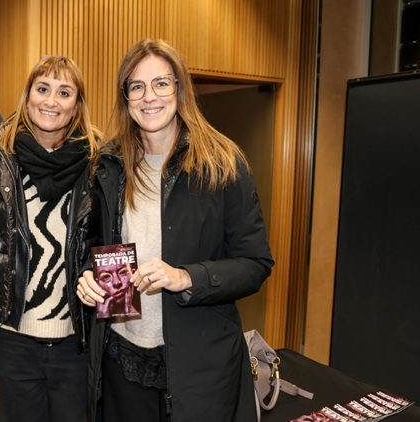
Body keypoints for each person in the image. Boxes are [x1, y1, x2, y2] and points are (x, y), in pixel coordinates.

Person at [76, 39, 274, 422]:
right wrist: (88, 277)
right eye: (137, 86)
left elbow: (255, 264)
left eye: (161, 83)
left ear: (180, 89)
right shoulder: (109, 164)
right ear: (125, 97)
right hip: (122, 361)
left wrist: (185, 277)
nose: (149, 96)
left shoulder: (222, 164)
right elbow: (97, 246)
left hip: (200, 367)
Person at [0, 55, 100, 422]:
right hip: (10, 337)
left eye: (64, 92)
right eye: (43, 89)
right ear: (28, 95)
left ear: (77, 105)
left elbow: (109, 238)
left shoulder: (100, 163)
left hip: (76, 339)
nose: (51, 101)